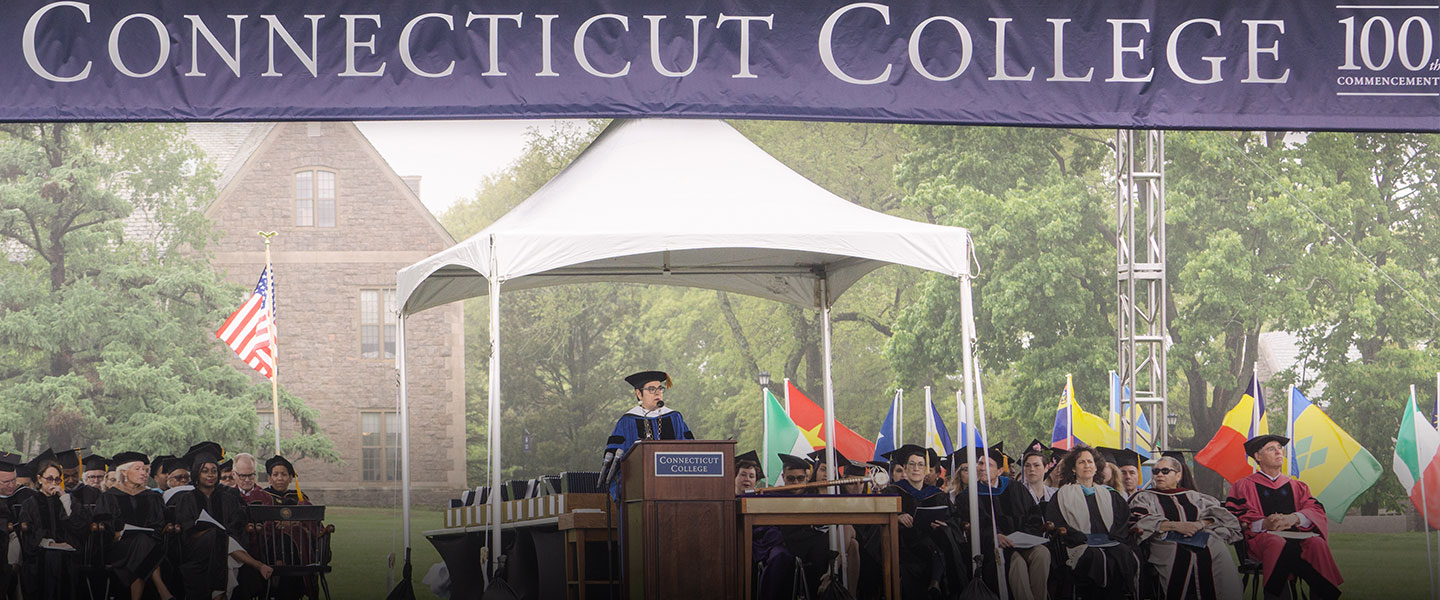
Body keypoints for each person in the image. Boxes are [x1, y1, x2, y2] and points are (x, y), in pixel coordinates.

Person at [1225, 435, 1342, 600]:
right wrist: (1263, 523)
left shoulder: (1297, 486)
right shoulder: (1243, 486)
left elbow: (1315, 509)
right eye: (1271, 449)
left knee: (1316, 543)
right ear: (1257, 456)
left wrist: (1294, 518)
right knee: (1276, 543)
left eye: (1280, 447)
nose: (1278, 451)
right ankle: (1277, 596)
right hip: (1261, 541)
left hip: (1297, 537)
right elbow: (1233, 516)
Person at [1130, 452, 1244, 600]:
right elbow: (1141, 520)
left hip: (1198, 538)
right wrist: (1176, 526)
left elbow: (1221, 516)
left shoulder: (1194, 496)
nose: (1159, 475)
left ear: (1178, 476)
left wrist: (1200, 523)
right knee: (1178, 552)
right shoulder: (1144, 497)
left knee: (1216, 548)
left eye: (1165, 471)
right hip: (1165, 540)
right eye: (1155, 471)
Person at [171, 443, 273, 600]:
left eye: (213, 471)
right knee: (216, 535)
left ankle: (219, 595)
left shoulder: (229, 497)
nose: (210, 475)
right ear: (197, 473)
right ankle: (257, 564)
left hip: (225, 548)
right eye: (205, 471)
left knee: (221, 544)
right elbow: (186, 527)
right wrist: (208, 531)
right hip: (196, 549)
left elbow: (237, 524)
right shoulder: (187, 498)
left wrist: (219, 533)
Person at [955, 444, 1052, 600]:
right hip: (993, 547)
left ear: (1000, 471)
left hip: (1022, 543)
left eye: (988, 465)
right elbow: (973, 525)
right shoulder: (969, 496)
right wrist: (995, 535)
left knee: (1042, 553)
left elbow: (1033, 517)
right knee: (1018, 563)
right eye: (980, 463)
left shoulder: (1016, 489)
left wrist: (1024, 537)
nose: (981, 468)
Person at [1044, 446, 1140, 598]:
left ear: (1096, 468)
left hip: (1109, 541)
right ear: (1074, 469)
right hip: (1079, 543)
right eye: (1081, 462)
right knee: (1095, 556)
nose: (1087, 465)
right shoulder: (1063, 495)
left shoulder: (1110, 494)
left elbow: (1122, 520)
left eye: (1090, 462)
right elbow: (1057, 521)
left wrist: (1114, 537)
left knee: (1122, 552)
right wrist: (1078, 537)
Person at [600, 371, 696, 499]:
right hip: (640, 491)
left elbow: (690, 450)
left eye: (660, 388)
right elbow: (616, 463)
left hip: (674, 489)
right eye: (651, 389)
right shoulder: (627, 421)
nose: (657, 393)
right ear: (639, 394)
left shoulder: (674, 418)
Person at [95, 452, 175, 600]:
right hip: (119, 547)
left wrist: (151, 533)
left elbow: (159, 524)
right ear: (124, 472)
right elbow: (105, 526)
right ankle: (161, 588)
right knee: (142, 544)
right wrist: (115, 533)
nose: (143, 473)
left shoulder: (152, 496)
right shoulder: (109, 496)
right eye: (138, 469)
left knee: (142, 542)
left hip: (148, 543)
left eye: (145, 470)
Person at [884, 445, 960, 599]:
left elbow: (953, 520)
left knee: (944, 534)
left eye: (920, 464)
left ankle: (937, 583)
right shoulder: (892, 492)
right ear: (905, 468)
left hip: (933, 543)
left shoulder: (937, 495)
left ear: (926, 469)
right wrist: (896, 517)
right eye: (911, 464)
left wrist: (944, 525)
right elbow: (878, 523)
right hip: (905, 549)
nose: (916, 468)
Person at [17, 459, 92, 600]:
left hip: (68, 553)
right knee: (54, 558)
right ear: (39, 479)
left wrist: (65, 499)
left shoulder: (68, 500)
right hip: (40, 555)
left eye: (57, 479)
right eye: (49, 479)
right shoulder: (30, 503)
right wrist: (50, 544)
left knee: (64, 559)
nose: (53, 483)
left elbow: (80, 526)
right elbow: (30, 534)